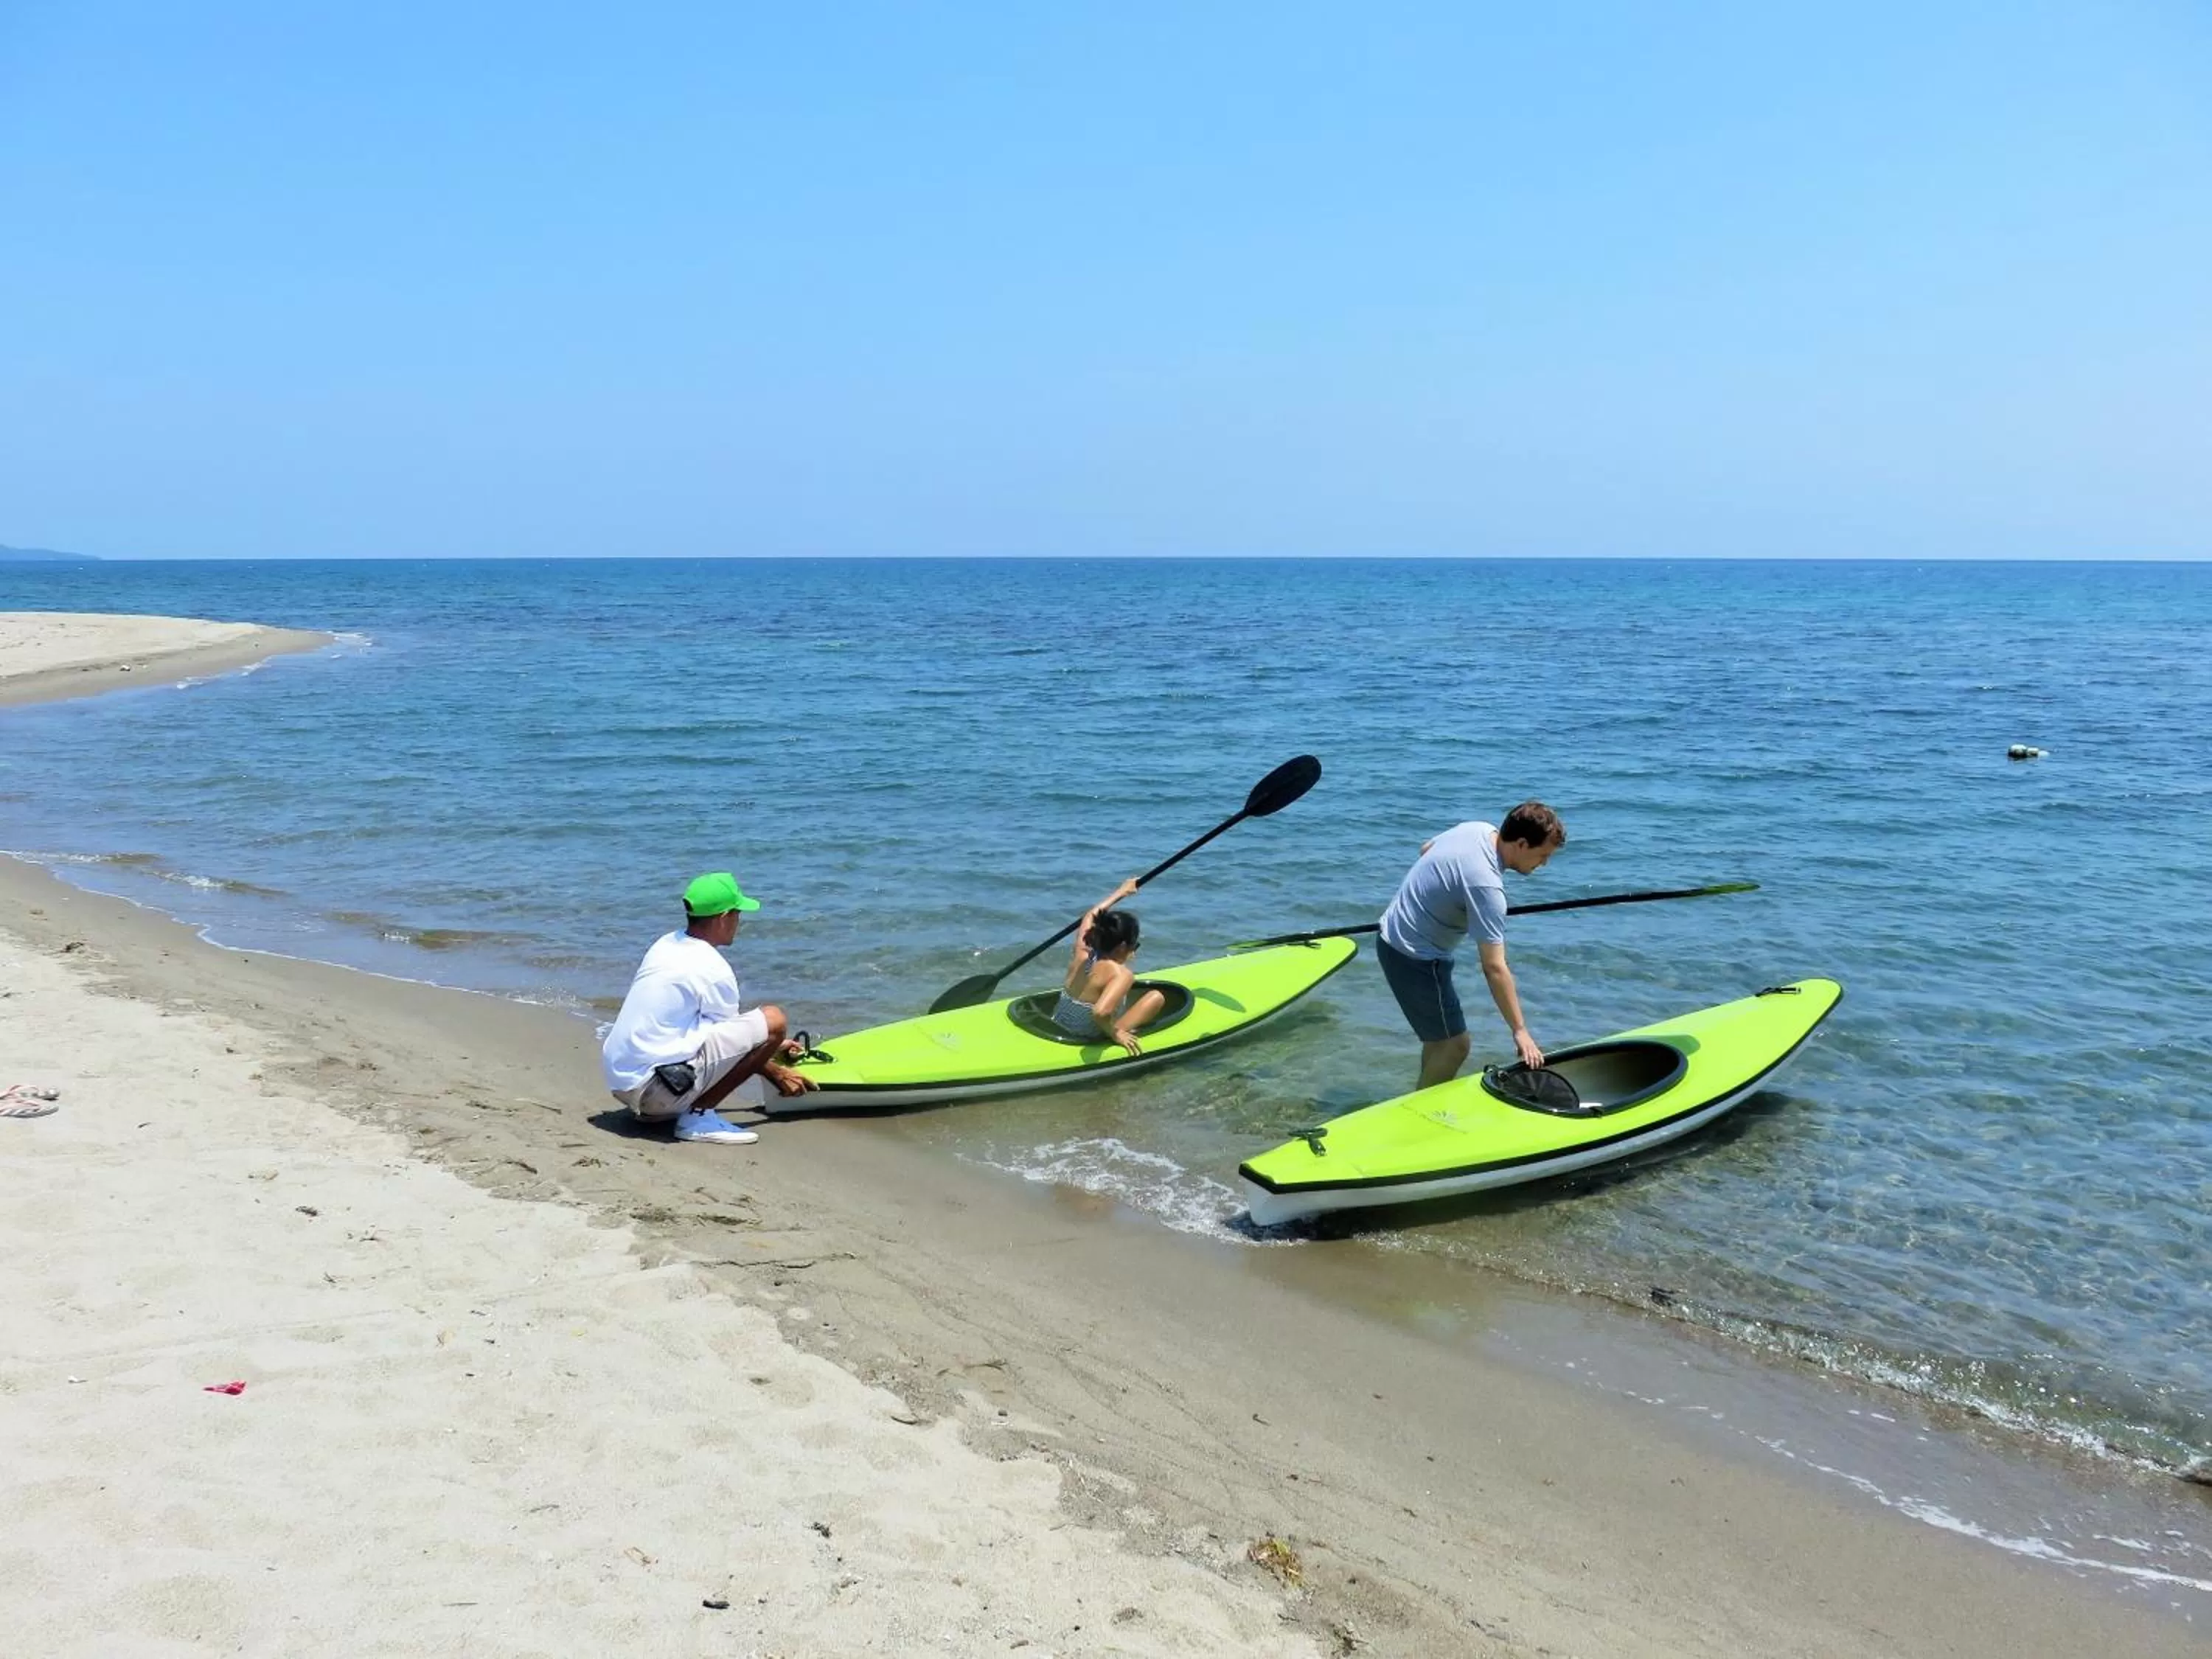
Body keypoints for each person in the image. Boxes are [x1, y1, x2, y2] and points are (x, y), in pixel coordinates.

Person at [601, 872, 814, 1144]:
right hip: (655, 1094)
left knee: (767, 1031)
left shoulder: (666, 944)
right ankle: (698, 1117)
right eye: (738, 914)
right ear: (724, 917)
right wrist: (777, 1071)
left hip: (623, 1083)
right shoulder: (713, 968)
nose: (740, 922)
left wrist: (773, 1046)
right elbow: (736, 1049)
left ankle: (677, 1109)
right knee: (774, 1019)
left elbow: (712, 1031)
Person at [1375, 801, 1565, 1090]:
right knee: (1455, 1045)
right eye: (1542, 855)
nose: (1544, 864)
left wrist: (1445, 897)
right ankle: (1419, 1116)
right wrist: (1520, 1031)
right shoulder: (1486, 887)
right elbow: (1494, 967)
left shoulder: (1477, 829)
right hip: (1415, 957)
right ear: (1523, 843)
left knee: (1439, 1041)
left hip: (1391, 932)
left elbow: (1427, 849)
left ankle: (1421, 1094)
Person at [1049, 877, 1168, 1055]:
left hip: (1057, 1022)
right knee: (1156, 997)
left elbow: (1091, 916)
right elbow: (1099, 1013)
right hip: (1086, 1036)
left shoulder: (1082, 952)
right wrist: (1115, 1033)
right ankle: (1114, 1033)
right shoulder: (1121, 975)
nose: (1134, 950)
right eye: (1134, 945)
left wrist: (1122, 892)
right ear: (1122, 947)